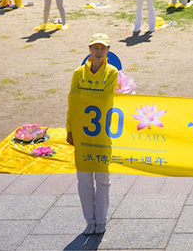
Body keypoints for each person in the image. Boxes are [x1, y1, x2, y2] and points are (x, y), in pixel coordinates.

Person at [66, 33, 118, 235]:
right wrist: (69, 129)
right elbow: (72, 102)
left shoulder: (112, 72)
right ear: (89, 50)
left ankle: (102, 219)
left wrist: (85, 97)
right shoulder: (78, 73)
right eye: (95, 48)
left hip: (102, 132)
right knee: (84, 179)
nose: (98, 52)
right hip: (81, 133)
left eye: (102, 48)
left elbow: (106, 100)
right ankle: (90, 220)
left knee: (103, 178)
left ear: (108, 50)